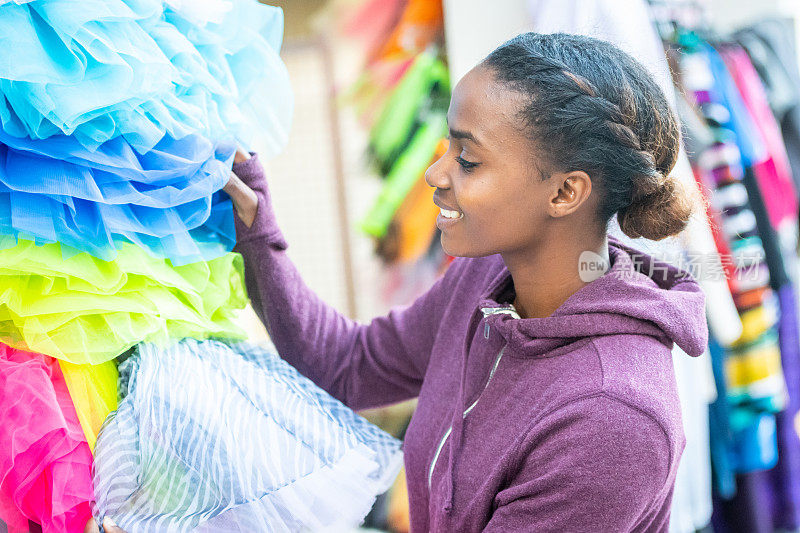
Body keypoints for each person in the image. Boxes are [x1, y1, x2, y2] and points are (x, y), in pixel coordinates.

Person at [90, 31, 708, 532]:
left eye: (467, 159)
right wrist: (257, 229)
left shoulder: (611, 418)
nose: (436, 174)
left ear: (566, 191)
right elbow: (348, 366)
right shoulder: (488, 283)